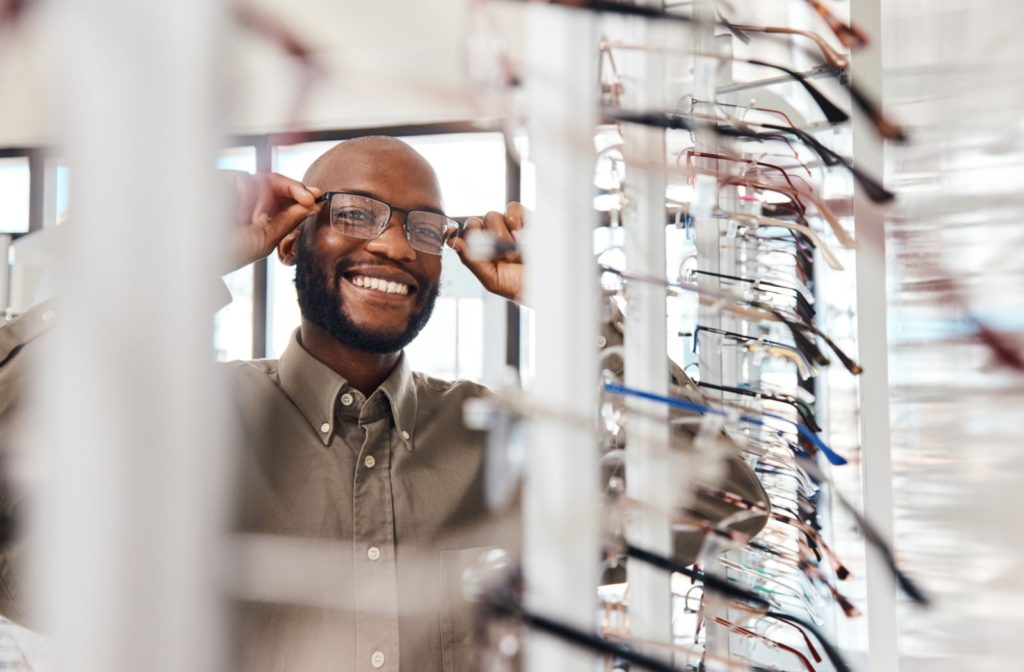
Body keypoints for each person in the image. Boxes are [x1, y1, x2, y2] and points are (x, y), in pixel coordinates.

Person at [0, 135, 766, 671]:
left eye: (423, 229)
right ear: (292, 238)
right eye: (356, 213)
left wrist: (584, 309)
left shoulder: (501, 442)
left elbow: (717, 503)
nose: (396, 248)